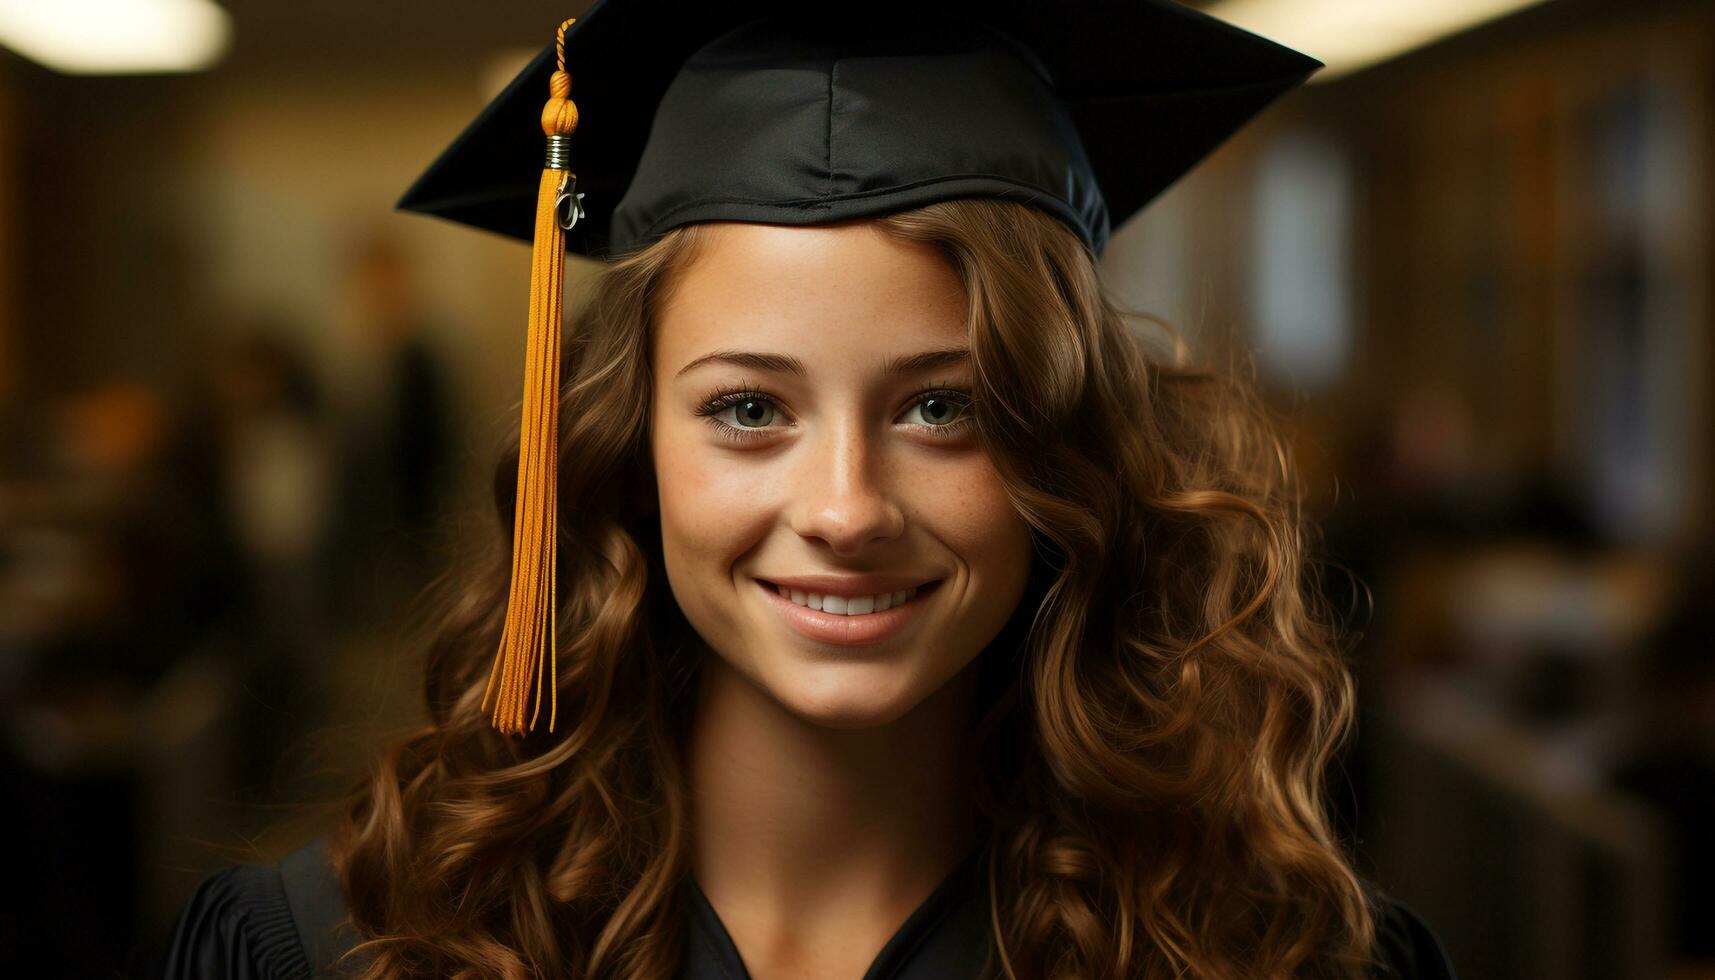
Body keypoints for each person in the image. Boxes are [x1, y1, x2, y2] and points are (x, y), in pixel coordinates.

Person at [156, 1, 1459, 977]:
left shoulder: (1274, 960)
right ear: (625, 449)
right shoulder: (353, 953)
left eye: (942, 408)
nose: (845, 509)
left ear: (1068, 449)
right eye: (748, 410)